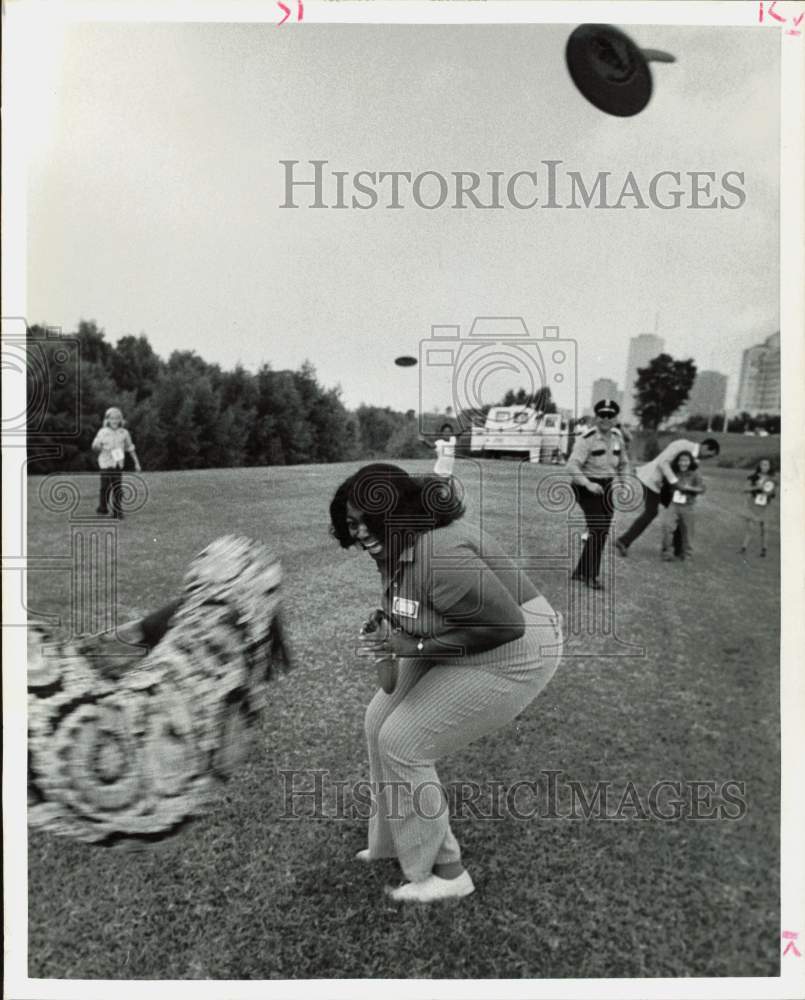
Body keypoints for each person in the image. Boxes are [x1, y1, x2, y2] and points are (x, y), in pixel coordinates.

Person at [329, 463, 563, 904]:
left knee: (403, 740)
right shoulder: (393, 550)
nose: (360, 534)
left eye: (368, 520)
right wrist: (391, 639)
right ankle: (393, 842)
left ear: (399, 511)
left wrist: (413, 648)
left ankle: (449, 872)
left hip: (519, 648)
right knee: (377, 718)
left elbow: (506, 626)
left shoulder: (439, 552)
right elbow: (412, 627)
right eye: (352, 524)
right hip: (459, 635)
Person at [615, 437, 720, 556]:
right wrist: (675, 482)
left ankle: (677, 550)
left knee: (680, 511)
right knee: (651, 512)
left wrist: (693, 489)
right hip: (652, 480)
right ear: (706, 447)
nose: (708, 458)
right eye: (709, 455)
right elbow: (663, 462)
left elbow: (688, 477)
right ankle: (624, 541)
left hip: (666, 487)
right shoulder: (682, 445)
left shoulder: (695, 461)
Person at [565, 399, 630, 590]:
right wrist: (588, 483)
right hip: (586, 486)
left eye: (610, 416)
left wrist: (624, 482)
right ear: (596, 417)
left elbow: (624, 462)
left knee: (601, 531)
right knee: (599, 528)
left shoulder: (618, 437)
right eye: (602, 415)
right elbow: (572, 466)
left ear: (615, 418)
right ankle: (590, 575)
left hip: (607, 486)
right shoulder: (587, 438)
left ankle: (580, 571)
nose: (606, 419)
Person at [92, 407, 141, 518]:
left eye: (117, 418)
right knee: (105, 487)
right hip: (105, 463)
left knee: (118, 487)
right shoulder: (103, 432)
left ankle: (117, 511)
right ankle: (102, 509)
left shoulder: (124, 433)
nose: (115, 420)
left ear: (121, 420)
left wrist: (136, 463)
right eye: (112, 418)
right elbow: (95, 446)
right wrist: (97, 446)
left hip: (118, 463)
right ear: (107, 420)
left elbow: (130, 448)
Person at [660, 451, 705, 561]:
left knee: (688, 532)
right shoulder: (674, 472)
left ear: (690, 462)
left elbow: (702, 489)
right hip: (674, 504)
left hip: (688, 506)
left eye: (686, 460)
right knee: (667, 527)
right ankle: (668, 553)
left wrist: (688, 488)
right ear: (677, 462)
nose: (683, 463)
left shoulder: (695, 474)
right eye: (681, 460)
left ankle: (687, 554)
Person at [739, 458, 777, 557]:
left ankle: (764, 550)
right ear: (759, 466)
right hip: (753, 504)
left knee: (765, 528)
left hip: (765, 505)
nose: (765, 467)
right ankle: (743, 548)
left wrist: (770, 493)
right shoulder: (753, 477)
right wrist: (757, 487)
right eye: (763, 465)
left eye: (767, 465)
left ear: (770, 466)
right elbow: (744, 489)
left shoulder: (772, 479)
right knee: (750, 528)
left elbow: (773, 493)